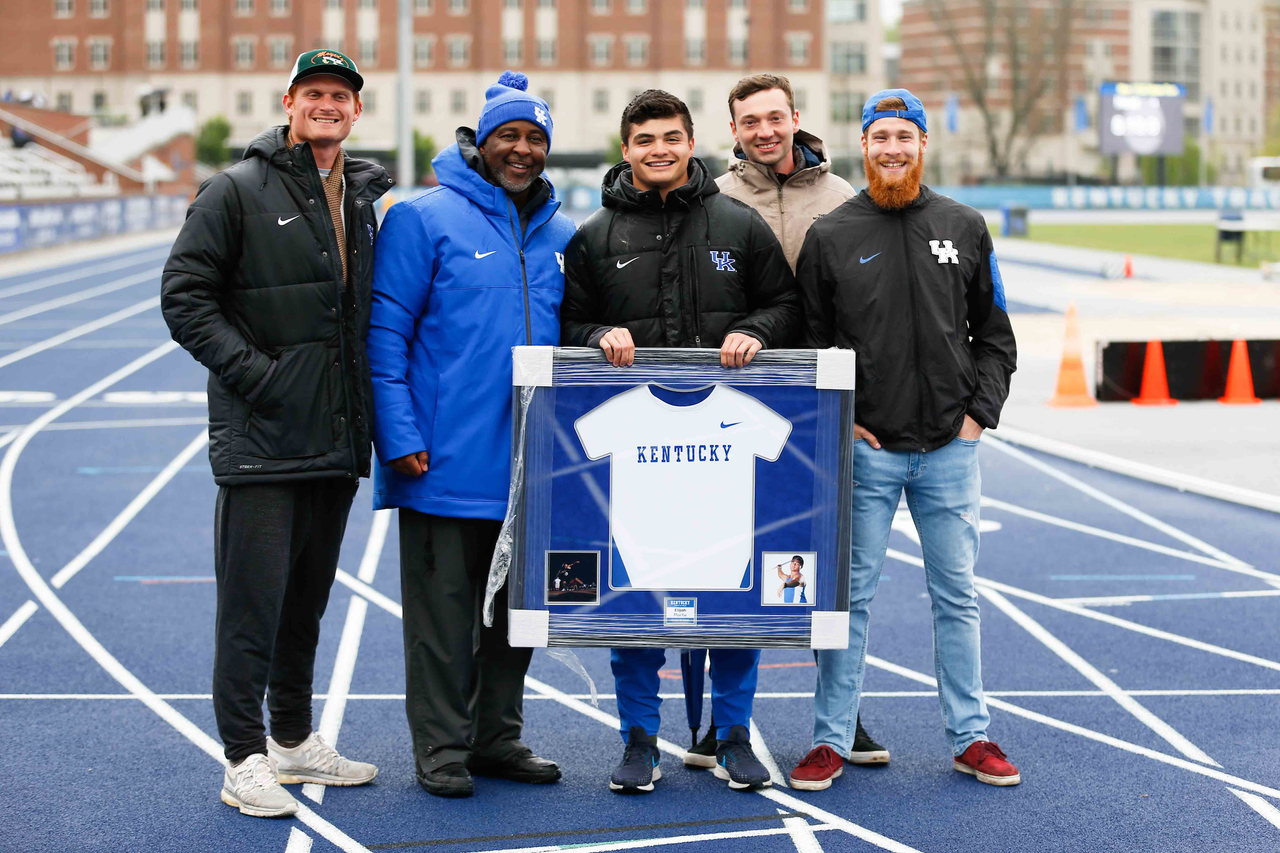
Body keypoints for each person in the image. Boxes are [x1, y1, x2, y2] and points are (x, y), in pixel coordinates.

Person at [160, 49, 392, 818]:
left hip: (331, 437)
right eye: (314, 92)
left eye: (341, 96)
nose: (328, 104)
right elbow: (184, 295)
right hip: (263, 438)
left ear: (356, 112)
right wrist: (258, 376)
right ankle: (242, 757)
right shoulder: (236, 190)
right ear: (288, 101)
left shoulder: (361, 195)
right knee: (251, 610)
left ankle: (292, 739)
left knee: (305, 603)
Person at [561, 89, 799, 794]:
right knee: (633, 601)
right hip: (635, 458)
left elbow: (786, 306)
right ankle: (639, 737)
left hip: (726, 453)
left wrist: (756, 331)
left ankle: (732, 733)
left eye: (671, 136)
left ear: (691, 142)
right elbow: (564, 326)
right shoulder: (594, 236)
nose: (658, 149)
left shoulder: (740, 224)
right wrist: (596, 335)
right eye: (644, 139)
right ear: (626, 149)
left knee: (734, 600)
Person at [788, 89, 1020, 792]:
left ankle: (970, 735)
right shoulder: (832, 235)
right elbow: (810, 343)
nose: (892, 148)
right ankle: (831, 738)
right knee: (849, 599)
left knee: (957, 595)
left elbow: (996, 337)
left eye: (904, 136)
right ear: (864, 146)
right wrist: (843, 419)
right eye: (880, 136)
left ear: (923, 145)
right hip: (868, 451)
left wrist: (978, 415)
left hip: (950, 449)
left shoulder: (964, 225)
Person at [368, 70, 573, 799]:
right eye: (509, 136)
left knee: (517, 618)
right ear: (481, 141)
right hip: (443, 459)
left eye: (535, 138)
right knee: (443, 621)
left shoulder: (563, 233)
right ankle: (442, 748)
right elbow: (385, 333)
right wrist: (397, 435)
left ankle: (496, 738)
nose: (522, 150)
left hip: (532, 466)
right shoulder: (421, 218)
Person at [675, 72, 889, 772]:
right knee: (716, 561)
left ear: (796, 117)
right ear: (731, 129)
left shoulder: (844, 201)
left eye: (775, 117)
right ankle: (712, 724)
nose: (764, 131)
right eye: (749, 121)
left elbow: (865, 314)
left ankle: (841, 715)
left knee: (827, 567)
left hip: (816, 410)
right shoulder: (712, 201)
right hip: (729, 407)